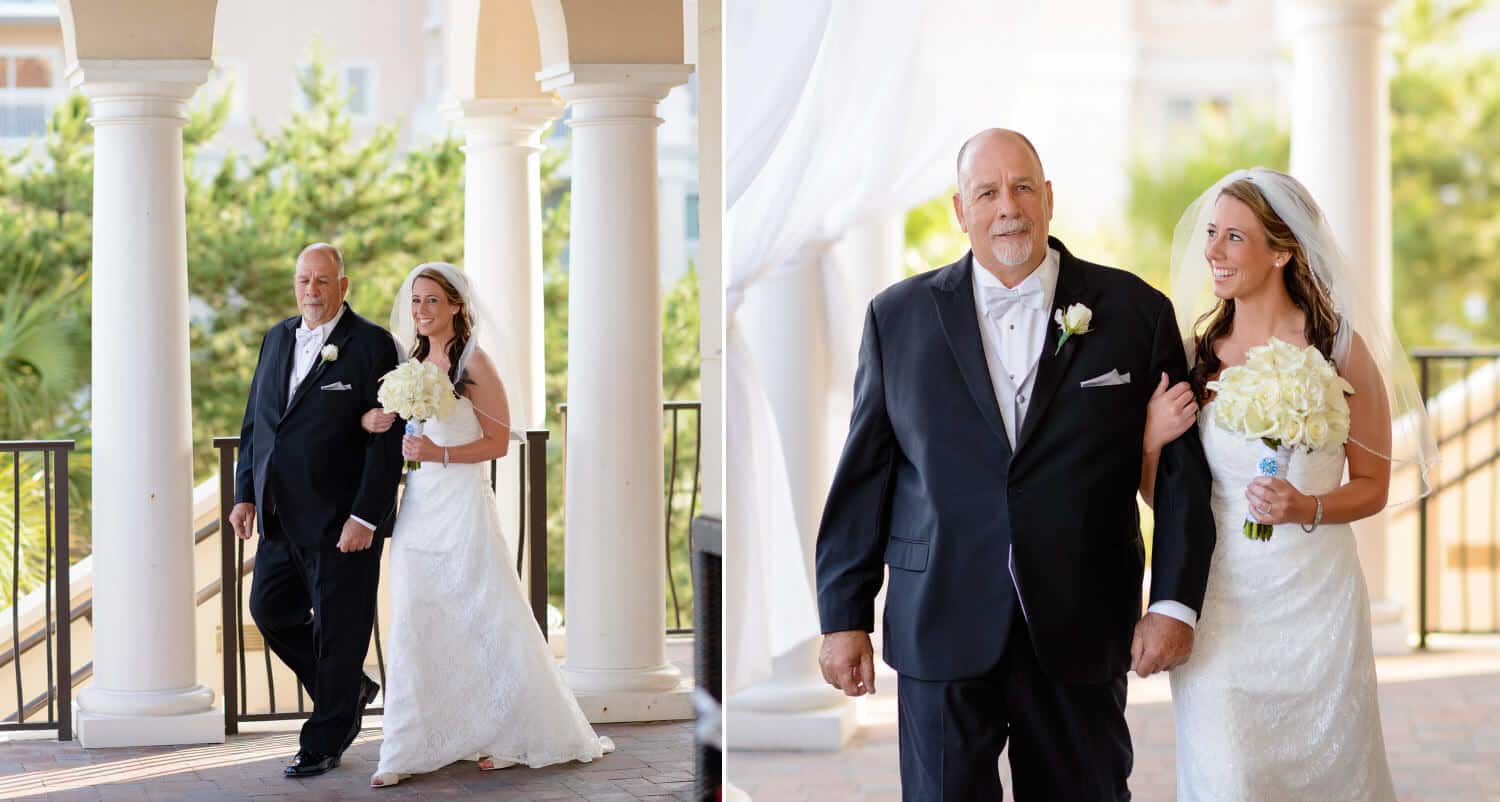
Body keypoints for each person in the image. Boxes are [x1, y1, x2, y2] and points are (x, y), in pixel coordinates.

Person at [814, 128, 1217, 801]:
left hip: (1081, 616)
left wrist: (1174, 602)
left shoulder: (1134, 312)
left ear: (1049, 198)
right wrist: (842, 615)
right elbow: (865, 480)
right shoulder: (897, 318)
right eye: (988, 192)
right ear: (960, 210)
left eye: (1023, 187)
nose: (1009, 206)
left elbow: (1180, 476)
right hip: (937, 615)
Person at [1143, 167, 1435, 801]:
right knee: (1228, 781)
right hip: (1222, 607)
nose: (1213, 252)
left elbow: (1374, 487)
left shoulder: (1341, 350)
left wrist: (1308, 504)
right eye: (1212, 234)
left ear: (1282, 251)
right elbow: (1165, 498)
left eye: (1234, 238)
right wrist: (1151, 441)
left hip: (1317, 610)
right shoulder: (1198, 355)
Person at [359, 262, 613, 789]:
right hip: (419, 505)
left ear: (456, 306)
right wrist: (377, 421)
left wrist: (437, 451)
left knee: (481, 612)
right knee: (413, 613)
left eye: (432, 301)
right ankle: (406, 745)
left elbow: (497, 443)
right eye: (415, 301)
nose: (422, 311)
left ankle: (508, 730)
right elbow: (397, 429)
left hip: (461, 503)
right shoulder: (410, 364)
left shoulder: (474, 365)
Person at [229, 242, 404, 778]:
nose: (312, 290)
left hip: (341, 520)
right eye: (304, 280)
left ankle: (324, 738)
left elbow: (387, 438)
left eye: (323, 281)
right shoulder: (277, 336)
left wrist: (366, 517)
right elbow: (257, 421)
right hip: (280, 515)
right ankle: (348, 690)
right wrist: (245, 493)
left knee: (339, 632)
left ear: (343, 287)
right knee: (270, 610)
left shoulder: (373, 345)